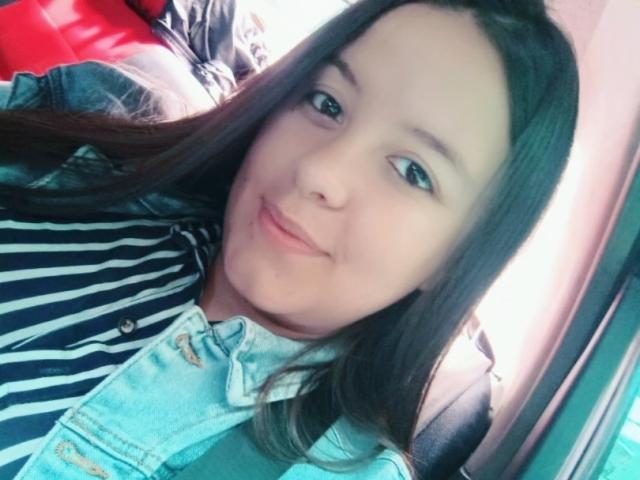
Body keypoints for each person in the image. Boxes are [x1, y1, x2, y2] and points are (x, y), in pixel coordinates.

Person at [0, 0, 579, 478]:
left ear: (457, 259)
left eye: (412, 171)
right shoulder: (100, 135)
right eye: (327, 103)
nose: (319, 171)